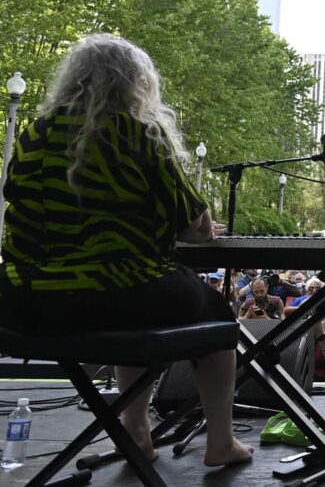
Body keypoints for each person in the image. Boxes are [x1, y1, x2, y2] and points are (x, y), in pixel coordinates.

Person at [0, 34, 252, 467]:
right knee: (211, 310)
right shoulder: (138, 133)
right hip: (121, 293)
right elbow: (193, 226)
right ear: (136, 84)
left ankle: (135, 432)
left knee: (134, 293)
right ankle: (220, 443)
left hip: (27, 301)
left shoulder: (33, 135)